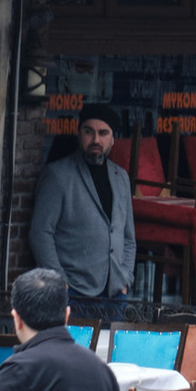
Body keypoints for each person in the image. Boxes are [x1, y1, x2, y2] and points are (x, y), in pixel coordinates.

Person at [27, 111, 135, 329]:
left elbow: (128, 237)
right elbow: (40, 233)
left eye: (103, 133)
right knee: (73, 358)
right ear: (79, 135)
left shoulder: (121, 177)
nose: (96, 140)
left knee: (108, 359)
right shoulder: (58, 175)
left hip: (114, 293)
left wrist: (125, 279)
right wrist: (60, 282)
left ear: (112, 139)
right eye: (89, 132)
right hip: (73, 291)